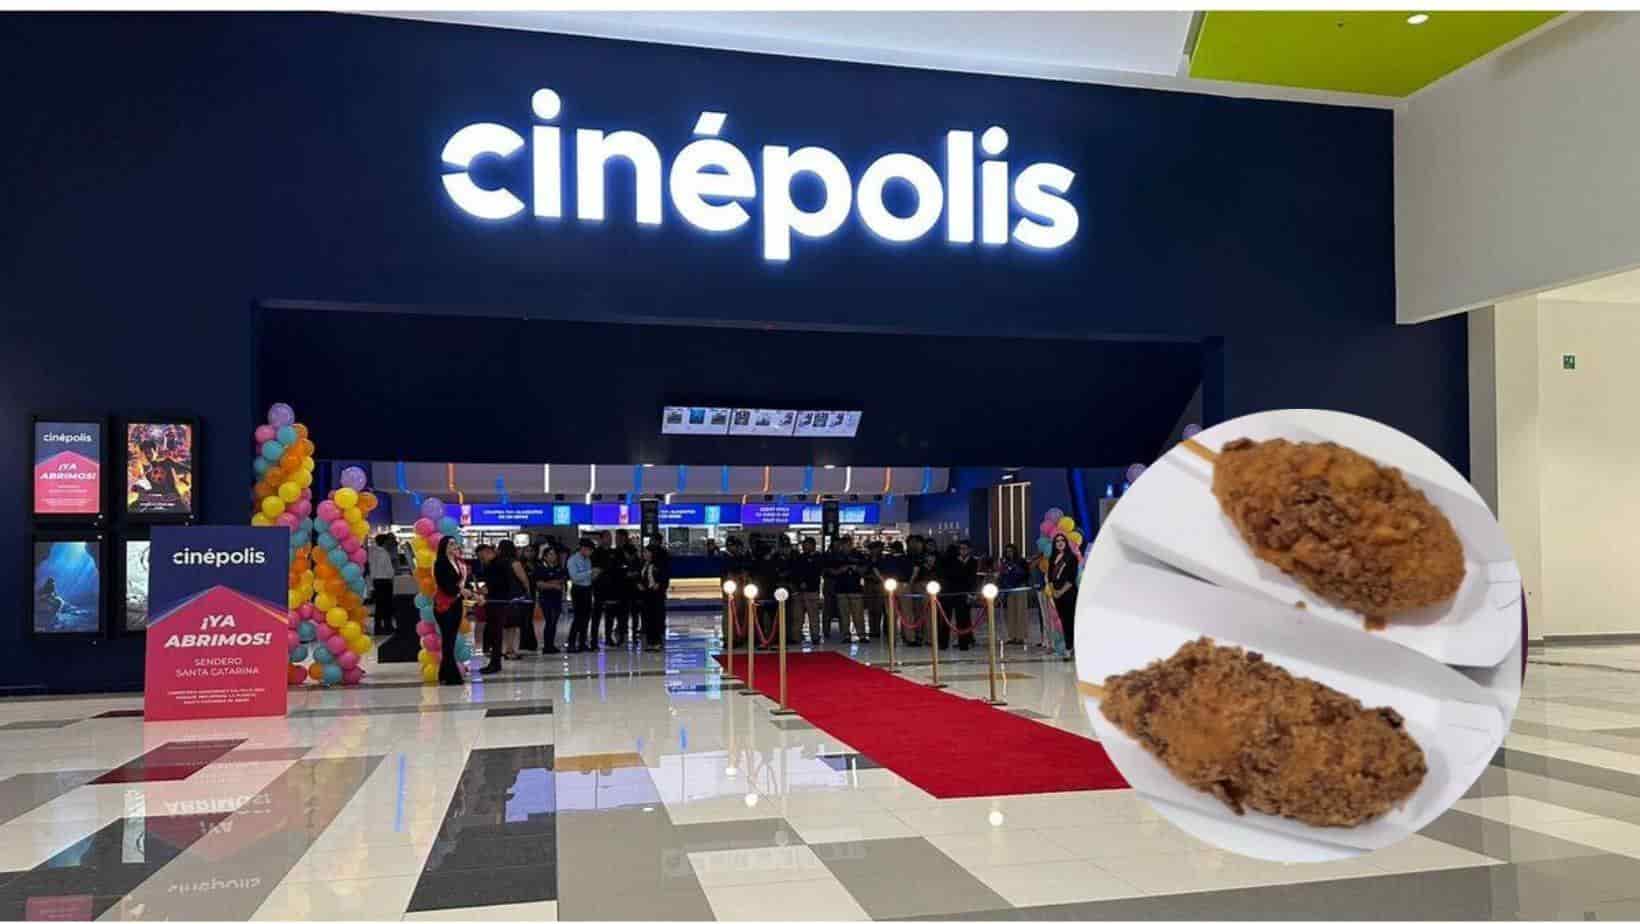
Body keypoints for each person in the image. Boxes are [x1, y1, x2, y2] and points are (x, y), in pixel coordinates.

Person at [481, 540, 530, 673]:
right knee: (508, 626)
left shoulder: (498, 564)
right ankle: (508, 650)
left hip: (501, 600)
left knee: (501, 628)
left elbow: (495, 582)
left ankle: (501, 655)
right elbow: (523, 579)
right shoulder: (511, 563)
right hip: (508, 598)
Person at [432, 536, 472, 685]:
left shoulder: (458, 563)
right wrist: (460, 591)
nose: (454, 546)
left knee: (451, 639)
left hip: (456, 604)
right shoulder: (440, 563)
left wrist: (468, 592)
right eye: (450, 544)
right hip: (444, 604)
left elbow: (461, 583)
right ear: (444, 546)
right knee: (448, 639)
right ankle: (451, 675)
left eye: (455, 543)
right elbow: (444, 585)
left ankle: (444, 673)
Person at [1047, 533, 1079, 659]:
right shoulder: (1052, 558)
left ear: (1066, 543)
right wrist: (1053, 591)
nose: (1060, 543)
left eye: (1062, 540)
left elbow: (1071, 578)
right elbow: (1050, 577)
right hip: (1056, 595)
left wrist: (1061, 591)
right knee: (1064, 622)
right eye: (1057, 541)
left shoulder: (1072, 557)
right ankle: (1069, 646)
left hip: (1069, 593)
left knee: (1070, 621)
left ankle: (1070, 648)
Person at [829, 536, 865, 642]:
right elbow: (830, 571)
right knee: (843, 614)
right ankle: (846, 635)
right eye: (844, 544)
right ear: (841, 545)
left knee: (858, 614)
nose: (847, 546)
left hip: (855, 588)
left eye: (849, 544)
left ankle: (861, 635)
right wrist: (841, 570)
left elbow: (865, 569)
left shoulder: (858, 555)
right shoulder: (836, 556)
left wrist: (856, 568)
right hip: (841, 588)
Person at [565, 538, 598, 652]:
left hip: (587, 590)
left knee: (586, 617)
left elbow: (588, 577)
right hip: (578, 590)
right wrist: (590, 573)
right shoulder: (573, 560)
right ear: (583, 549)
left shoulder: (588, 560)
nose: (591, 553)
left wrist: (594, 575)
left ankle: (582, 643)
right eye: (590, 550)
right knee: (578, 618)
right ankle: (571, 643)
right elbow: (574, 577)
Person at [534, 545, 567, 654]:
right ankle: (547, 646)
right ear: (545, 556)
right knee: (550, 621)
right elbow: (540, 584)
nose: (553, 556)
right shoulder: (540, 568)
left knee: (554, 622)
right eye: (550, 554)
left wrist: (549, 583)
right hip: (546, 599)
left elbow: (561, 581)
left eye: (554, 554)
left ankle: (551, 644)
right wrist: (552, 585)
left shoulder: (559, 568)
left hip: (557, 598)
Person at [790, 537, 823, 644]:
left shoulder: (818, 558)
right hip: (798, 591)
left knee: (813, 615)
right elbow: (794, 572)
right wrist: (798, 583)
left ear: (813, 545)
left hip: (812, 590)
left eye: (807, 544)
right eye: (804, 545)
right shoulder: (799, 557)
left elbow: (817, 572)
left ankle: (815, 636)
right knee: (797, 616)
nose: (804, 547)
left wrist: (806, 582)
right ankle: (796, 636)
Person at [639, 541, 670, 651]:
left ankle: (657, 642)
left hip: (656, 595)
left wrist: (659, 584)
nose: (644, 554)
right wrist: (640, 584)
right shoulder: (644, 564)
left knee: (656, 618)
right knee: (647, 618)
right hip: (646, 594)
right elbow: (641, 577)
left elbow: (664, 579)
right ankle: (650, 642)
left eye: (646, 552)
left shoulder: (659, 565)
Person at [997, 543, 1030, 646]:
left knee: (1021, 613)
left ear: (1015, 551)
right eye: (1007, 551)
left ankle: (1021, 637)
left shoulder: (1021, 561)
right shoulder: (1004, 563)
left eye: (1011, 551)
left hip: (1020, 588)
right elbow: (1002, 576)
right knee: (1010, 613)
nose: (1009, 553)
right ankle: (1012, 636)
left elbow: (1027, 574)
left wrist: (1016, 570)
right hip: (1009, 590)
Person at [368, 533, 398, 636]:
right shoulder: (384, 553)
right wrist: (393, 575)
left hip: (376, 581)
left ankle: (378, 628)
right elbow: (389, 570)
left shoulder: (372, 552)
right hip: (385, 582)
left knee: (379, 606)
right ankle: (388, 627)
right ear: (385, 542)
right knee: (387, 605)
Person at [517, 543, 540, 653]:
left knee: (529, 618)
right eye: (527, 551)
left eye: (531, 551)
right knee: (523, 618)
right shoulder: (520, 565)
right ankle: (524, 642)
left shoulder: (537, 564)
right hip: (522, 593)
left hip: (533, 593)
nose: (529, 553)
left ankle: (530, 642)